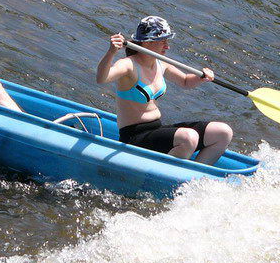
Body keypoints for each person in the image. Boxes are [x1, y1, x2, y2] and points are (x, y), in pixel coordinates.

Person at [96, 16, 233, 164]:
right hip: (134, 137)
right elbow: (102, 78)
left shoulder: (161, 63)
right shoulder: (128, 65)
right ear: (147, 42)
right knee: (189, 137)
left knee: (223, 132)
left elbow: (185, 81)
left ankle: (195, 178)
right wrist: (111, 53)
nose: (167, 46)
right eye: (163, 41)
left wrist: (202, 77)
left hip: (156, 129)